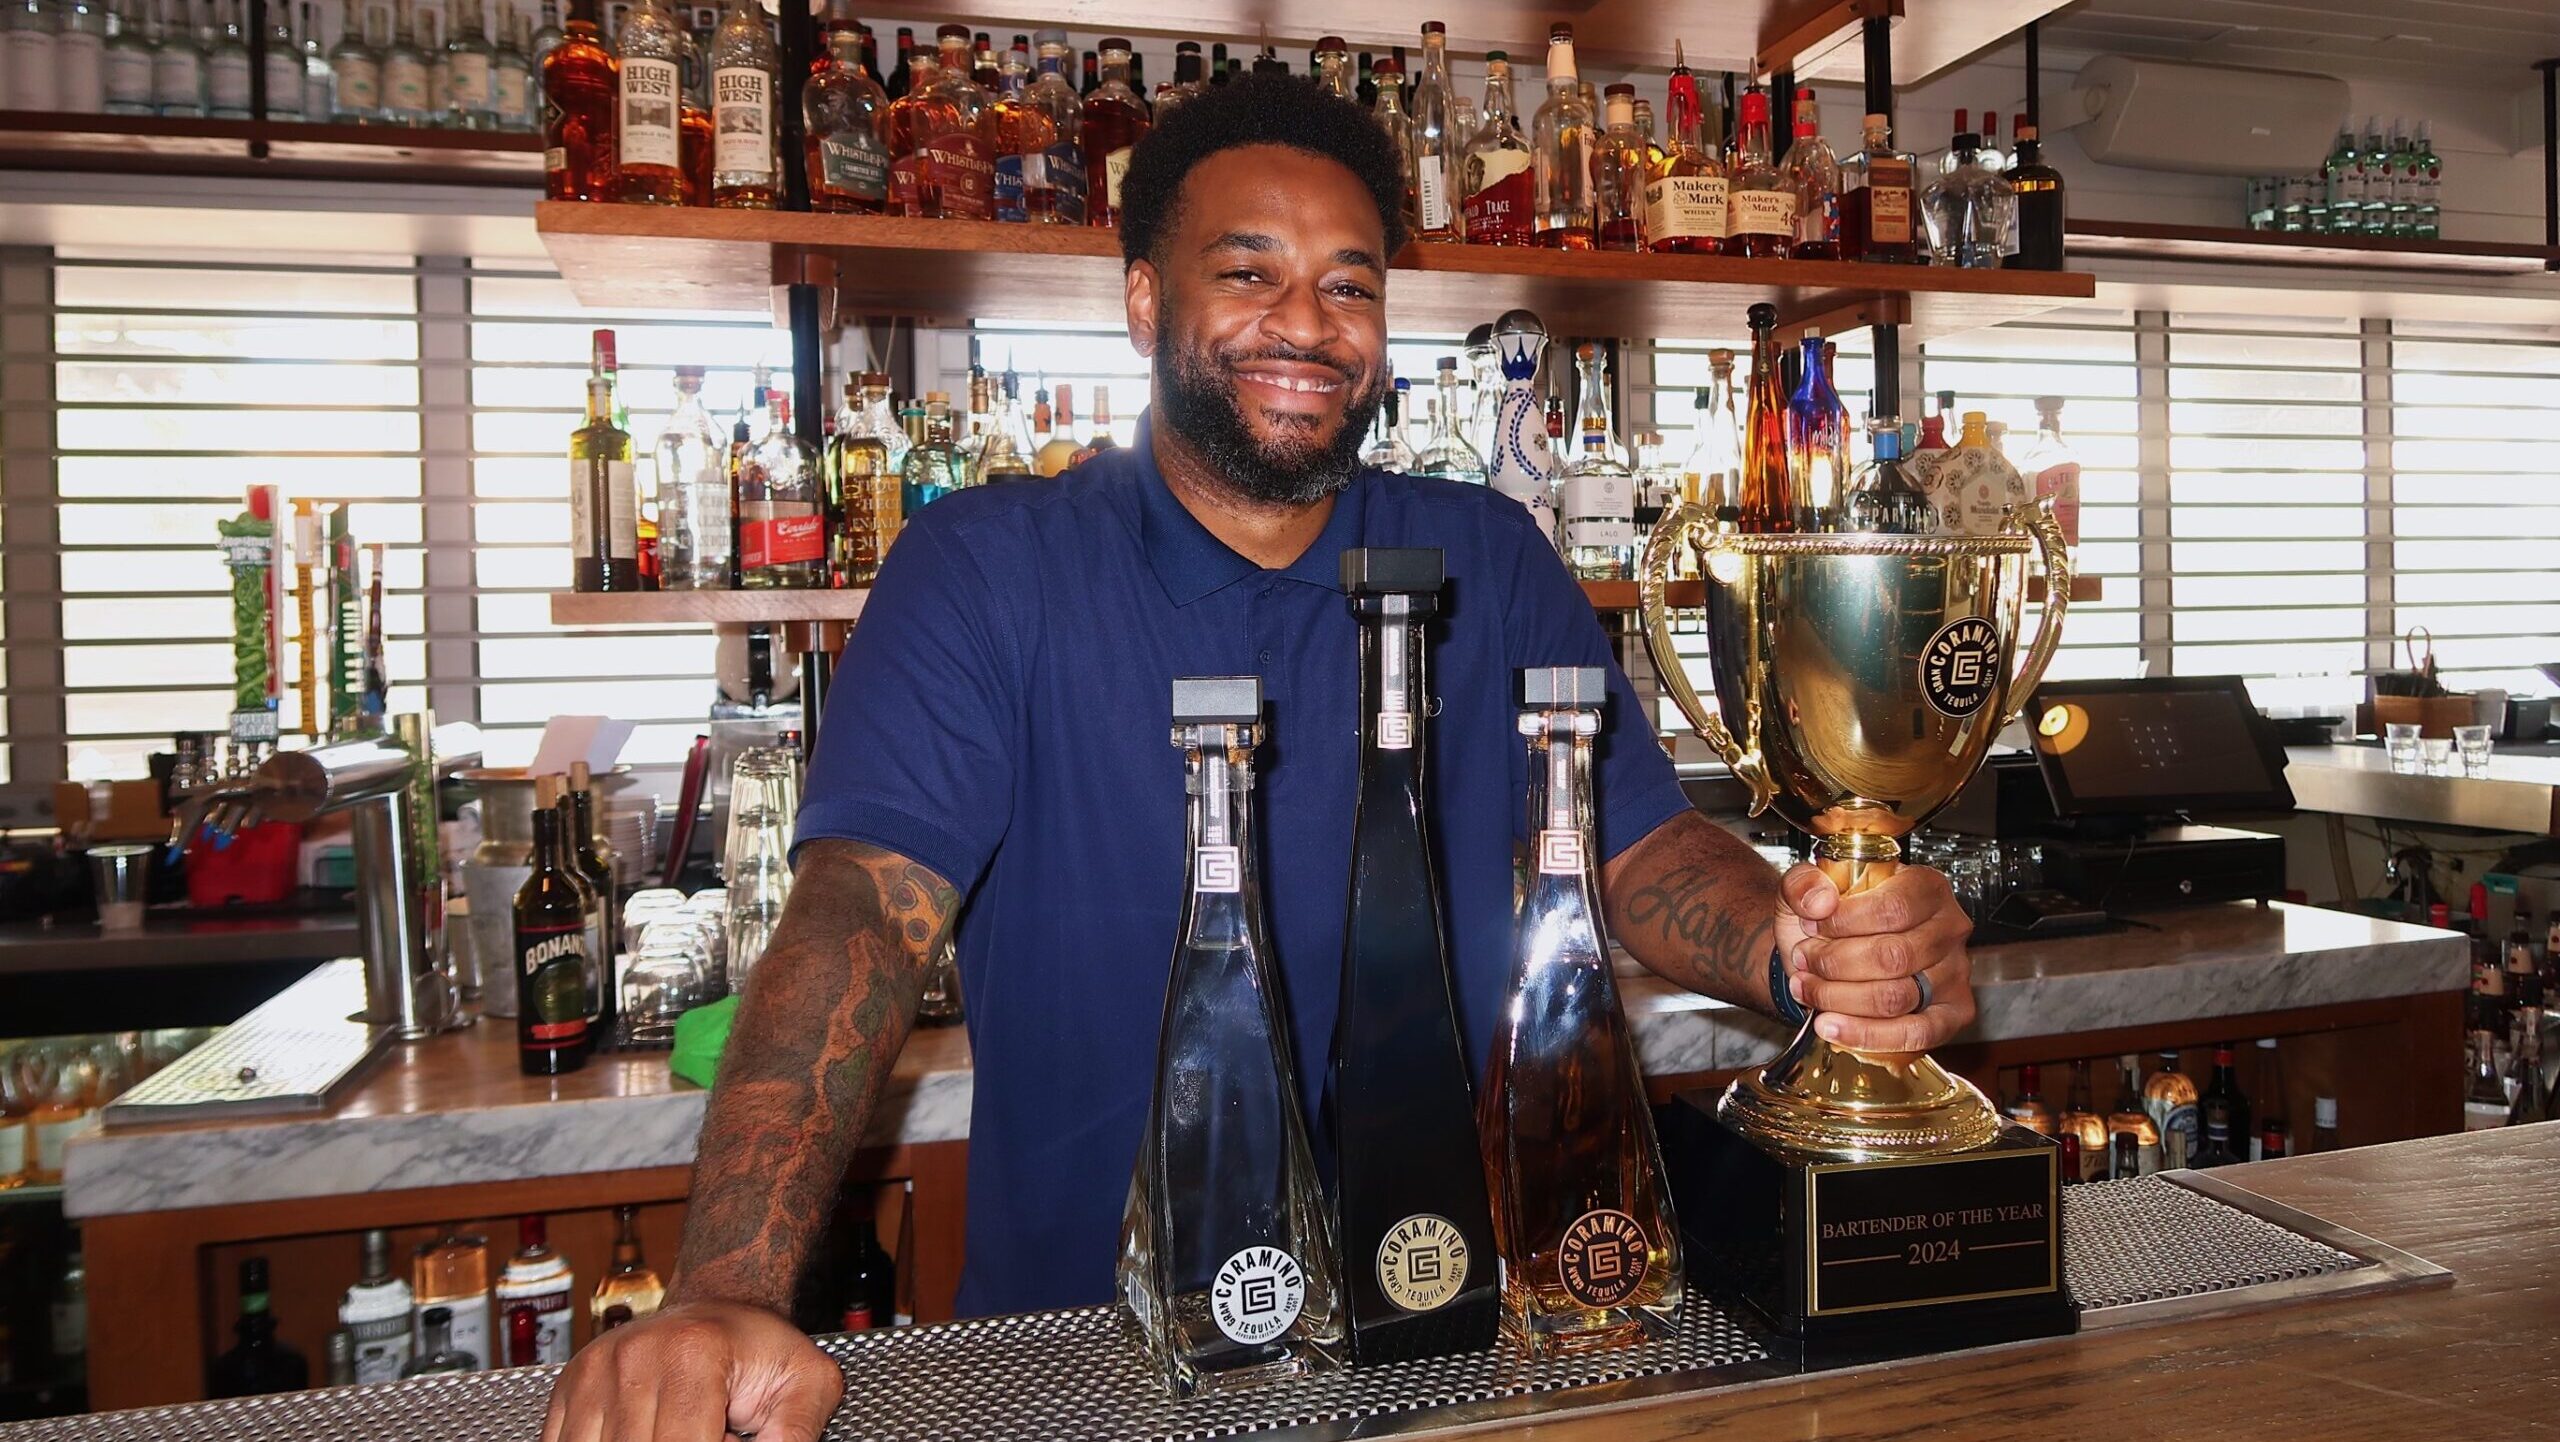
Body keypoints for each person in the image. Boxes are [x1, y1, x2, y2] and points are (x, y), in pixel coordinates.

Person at [543, 72, 1977, 1442]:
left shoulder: (1487, 556)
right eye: (1250, 274)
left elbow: (1637, 847)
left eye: (1351, 282)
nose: (1309, 320)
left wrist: (1807, 943)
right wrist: (726, 1288)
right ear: (1143, 304)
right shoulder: (991, 569)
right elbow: (861, 909)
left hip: (1465, 1336)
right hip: (1093, 1371)